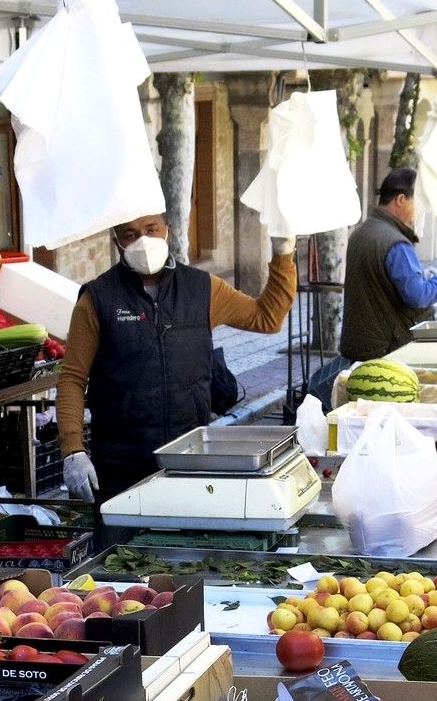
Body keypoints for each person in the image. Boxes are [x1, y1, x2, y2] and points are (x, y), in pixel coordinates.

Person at [58, 212, 296, 502]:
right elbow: (72, 378)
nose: (143, 241)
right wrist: (73, 450)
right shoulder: (98, 299)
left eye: (151, 229)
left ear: (167, 230)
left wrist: (283, 254)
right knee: (120, 548)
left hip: (190, 462)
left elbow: (267, 317)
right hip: (120, 469)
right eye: (130, 235)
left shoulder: (202, 288)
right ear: (117, 241)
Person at [339, 167, 437, 363]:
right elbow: (418, 296)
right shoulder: (396, 244)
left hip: (359, 344)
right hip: (386, 349)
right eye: (418, 203)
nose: (418, 211)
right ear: (400, 199)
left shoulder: (361, 232)